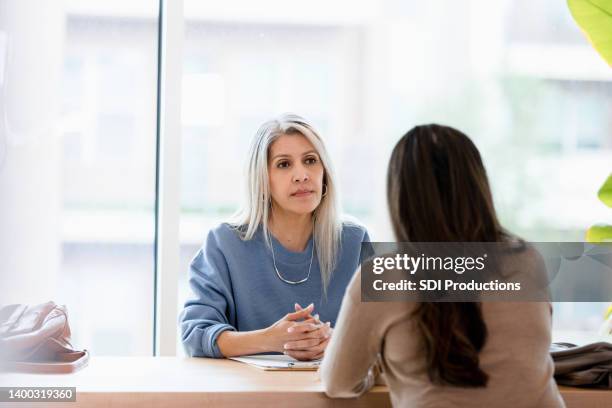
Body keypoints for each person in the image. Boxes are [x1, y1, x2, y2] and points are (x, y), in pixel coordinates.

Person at [320, 124, 565, 407]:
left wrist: (380, 363)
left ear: (401, 197)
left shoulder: (383, 276)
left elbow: (338, 384)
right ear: (478, 187)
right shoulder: (528, 260)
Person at [180, 113, 369, 361]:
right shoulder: (225, 243)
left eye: (311, 160)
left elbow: (394, 333)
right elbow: (195, 334)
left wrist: (334, 340)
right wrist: (270, 339)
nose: (302, 175)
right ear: (262, 179)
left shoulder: (356, 240)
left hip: (333, 394)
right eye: (283, 164)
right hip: (252, 397)